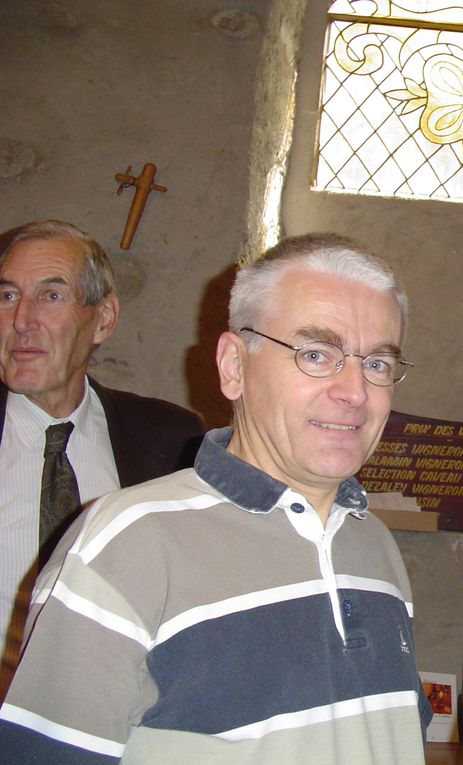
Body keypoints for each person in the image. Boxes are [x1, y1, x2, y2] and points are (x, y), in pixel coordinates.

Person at [0, 233, 431, 763]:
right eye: (317, 354)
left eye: (378, 364)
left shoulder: (375, 544)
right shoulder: (125, 543)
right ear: (233, 366)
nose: (355, 391)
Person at [0, 220, 204, 700]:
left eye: (51, 296)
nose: (22, 320)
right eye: (7, 296)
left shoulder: (172, 440)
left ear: (104, 319)